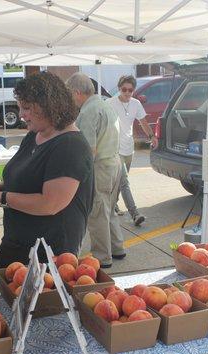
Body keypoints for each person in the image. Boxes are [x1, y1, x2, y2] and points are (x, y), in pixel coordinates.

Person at [0, 72, 94, 267]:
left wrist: (2, 198)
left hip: (49, 252)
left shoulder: (70, 146)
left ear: (50, 106)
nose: (21, 114)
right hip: (18, 242)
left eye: (27, 108)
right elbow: (29, 178)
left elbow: (50, 203)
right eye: (20, 107)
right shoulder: (34, 135)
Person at [66, 73, 124, 269]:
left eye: (70, 95)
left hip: (100, 166)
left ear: (77, 92)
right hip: (115, 162)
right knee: (109, 208)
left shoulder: (89, 111)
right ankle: (117, 248)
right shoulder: (107, 105)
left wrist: (79, 174)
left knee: (97, 211)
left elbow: (88, 149)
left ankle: (101, 256)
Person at [106, 75, 157, 227]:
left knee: (120, 182)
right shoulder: (109, 103)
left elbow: (143, 122)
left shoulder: (135, 104)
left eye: (130, 90)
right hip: (115, 149)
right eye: (124, 89)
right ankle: (135, 214)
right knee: (124, 182)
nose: (127, 93)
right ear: (119, 88)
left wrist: (152, 136)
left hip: (129, 148)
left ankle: (112, 204)